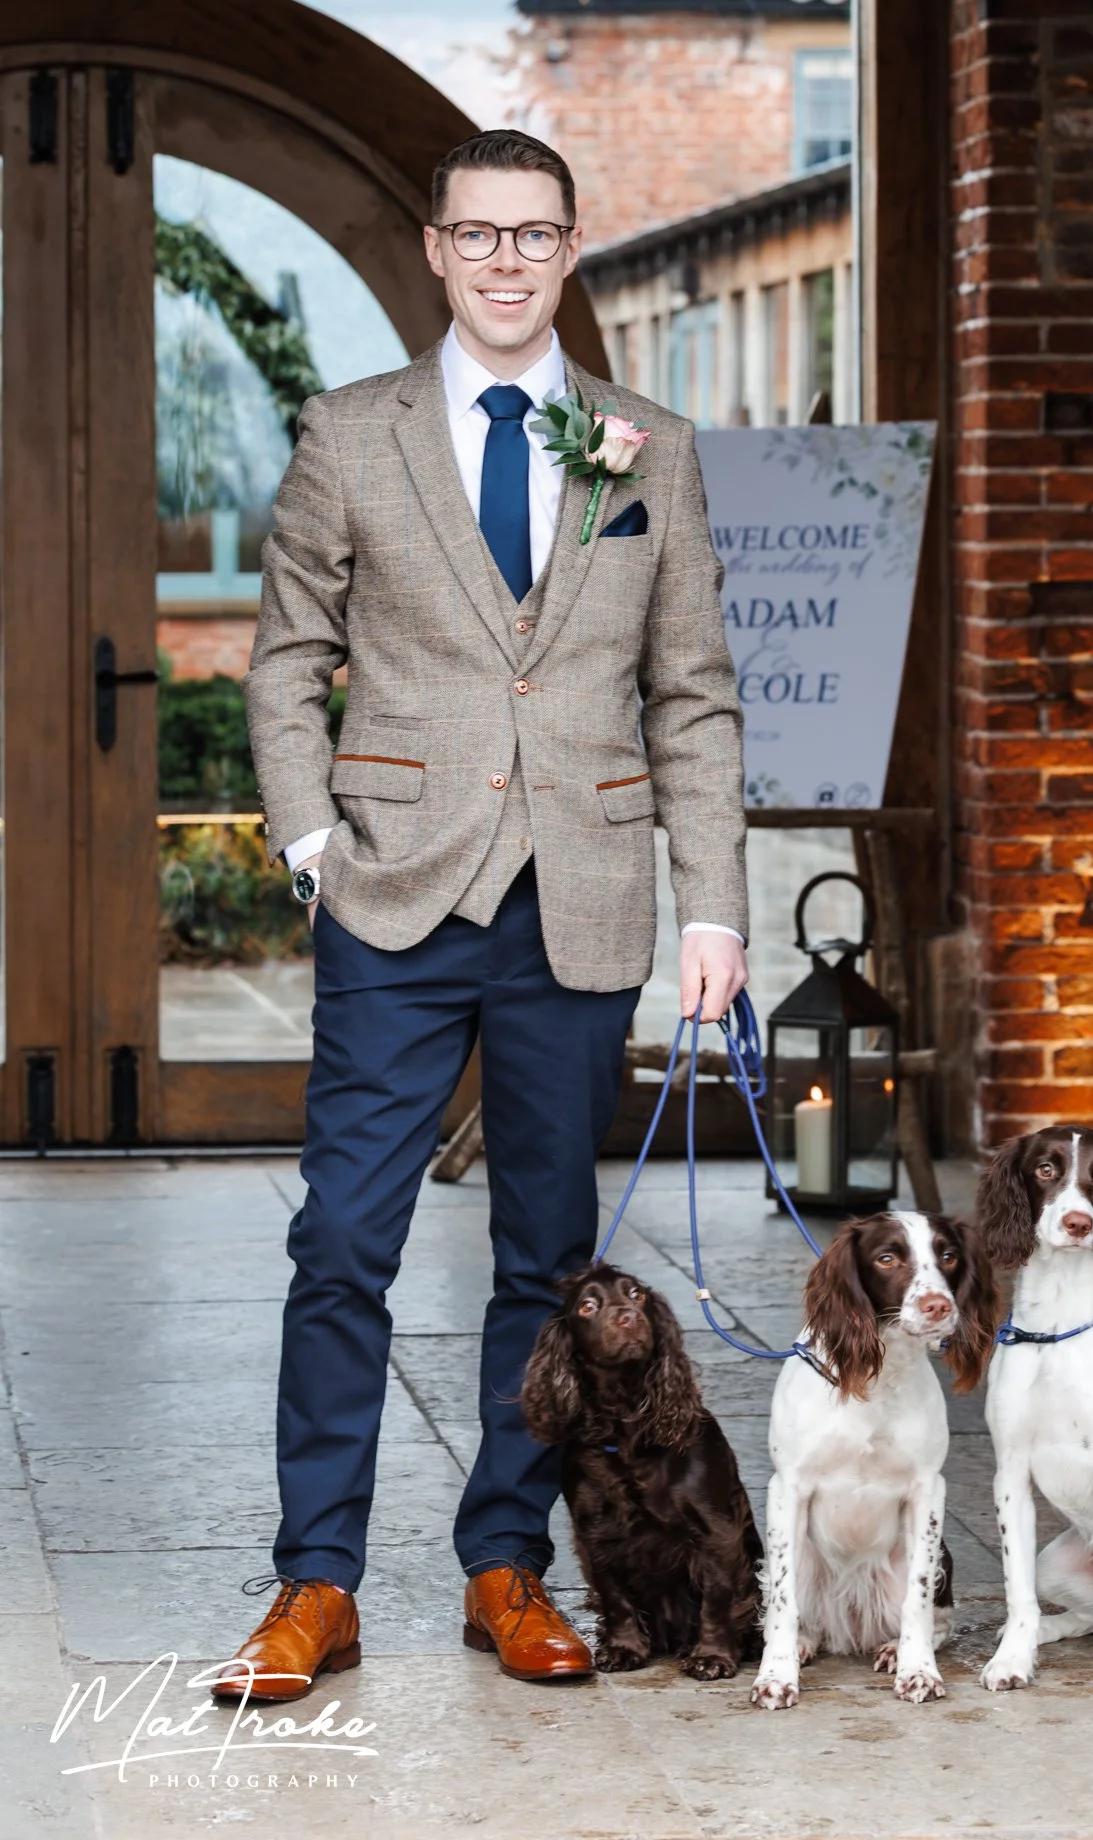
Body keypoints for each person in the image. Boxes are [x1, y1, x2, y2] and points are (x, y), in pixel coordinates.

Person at [213, 129, 748, 1699]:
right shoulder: (350, 435)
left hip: (578, 901)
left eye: (537, 234)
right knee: (343, 1243)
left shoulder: (652, 445)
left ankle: (506, 1565)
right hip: (390, 889)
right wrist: (312, 844)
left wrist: (713, 909)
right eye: (480, 235)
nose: (508, 260)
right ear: (438, 252)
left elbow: (695, 697)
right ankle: (316, 1583)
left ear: (571, 250)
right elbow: (284, 658)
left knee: (549, 1259)